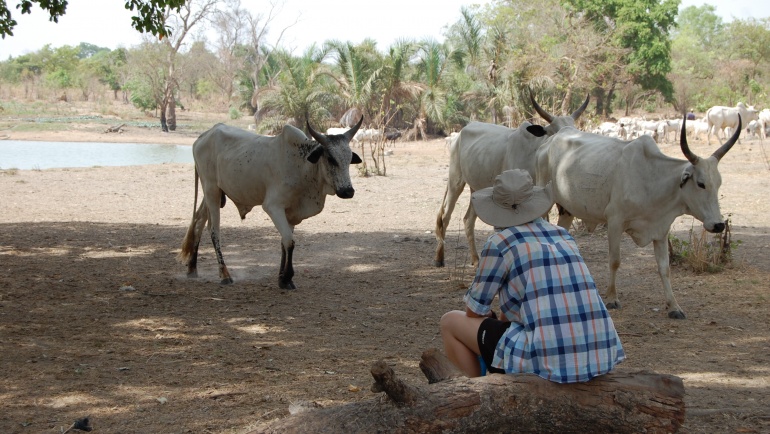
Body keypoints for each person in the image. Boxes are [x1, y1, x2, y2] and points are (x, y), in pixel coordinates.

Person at [440, 169, 625, 383]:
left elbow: (474, 311)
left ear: (496, 209)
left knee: (450, 322)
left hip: (548, 358)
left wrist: (490, 317)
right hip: (599, 353)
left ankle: (473, 392)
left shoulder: (500, 242)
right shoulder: (563, 235)